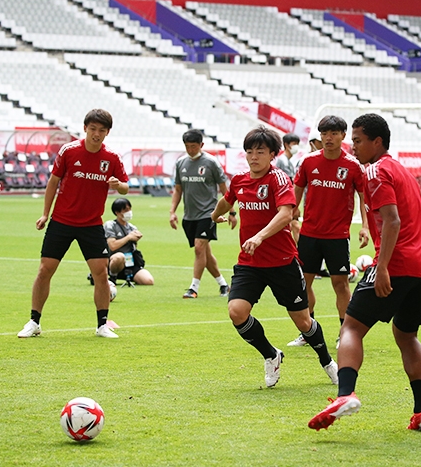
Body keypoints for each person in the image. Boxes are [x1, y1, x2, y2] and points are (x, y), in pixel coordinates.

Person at [309, 113, 421, 432]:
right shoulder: (403, 171)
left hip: (395, 265)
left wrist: (381, 268)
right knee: (406, 335)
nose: (353, 147)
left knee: (350, 327)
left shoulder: (377, 171)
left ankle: (345, 393)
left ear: (376, 142)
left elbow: (392, 221)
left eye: (357, 141)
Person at [211, 125, 338, 388]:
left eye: (260, 151)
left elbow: (285, 214)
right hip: (250, 263)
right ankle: (271, 355)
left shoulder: (278, 179)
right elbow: (227, 199)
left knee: (303, 321)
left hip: (282, 263)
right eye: (249, 151)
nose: (254, 157)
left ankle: (327, 361)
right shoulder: (240, 180)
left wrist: (259, 236)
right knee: (236, 311)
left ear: (272, 155)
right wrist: (214, 215)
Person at [17, 109, 129, 339]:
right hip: (62, 221)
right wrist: (45, 214)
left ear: (107, 133)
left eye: (101, 130)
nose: (96, 134)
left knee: (100, 273)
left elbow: (125, 186)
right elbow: (53, 182)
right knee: (45, 270)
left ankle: (102, 325)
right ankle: (34, 322)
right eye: (93, 129)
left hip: (92, 224)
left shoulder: (112, 158)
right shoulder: (69, 151)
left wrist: (119, 185)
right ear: (85, 128)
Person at [287, 116, 369, 349]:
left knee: (340, 284)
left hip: (338, 236)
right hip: (310, 234)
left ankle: (346, 332)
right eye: (324, 134)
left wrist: (364, 226)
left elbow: (364, 197)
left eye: (333, 133)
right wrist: (291, 216)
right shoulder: (308, 162)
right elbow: (296, 192)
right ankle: (308, 331)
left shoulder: (353, 166)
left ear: (343, 135)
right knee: (304, 283)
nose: (328, 138)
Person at [170, 129, 237, 298]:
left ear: (201, 145)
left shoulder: (211, 163)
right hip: (189, 216)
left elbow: (224, 189)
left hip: (209, 214)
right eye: (187, 146)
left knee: (199, 248)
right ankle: (223, 285)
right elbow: (178, 190)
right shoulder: (181, 163)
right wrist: (172, 212)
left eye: (194, 146)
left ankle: (193, 288)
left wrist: (232, 212)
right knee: (205, 253)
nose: (190, 150)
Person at [104, 197, 154, 285]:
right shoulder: (110, 225)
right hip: (113, 261)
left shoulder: (132, 228)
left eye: (129, 209)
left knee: (148, 281)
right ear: (117, 212)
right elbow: (112, 246)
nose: (129, 212)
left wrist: (135, 239)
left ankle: (127, 276)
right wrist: (128, 237)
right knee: (119, 257)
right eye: (125, 210)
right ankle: (112, 277)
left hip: (129, 263)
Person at [275, 133, 301, 243]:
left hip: (285, 200)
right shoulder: (283, 161)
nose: (296, 146)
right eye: (294, 143)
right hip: (285, 200)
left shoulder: (288, 161)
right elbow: (289, 183)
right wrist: (294, 205)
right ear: (286, 145)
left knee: (292, 226)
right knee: (293, 225)